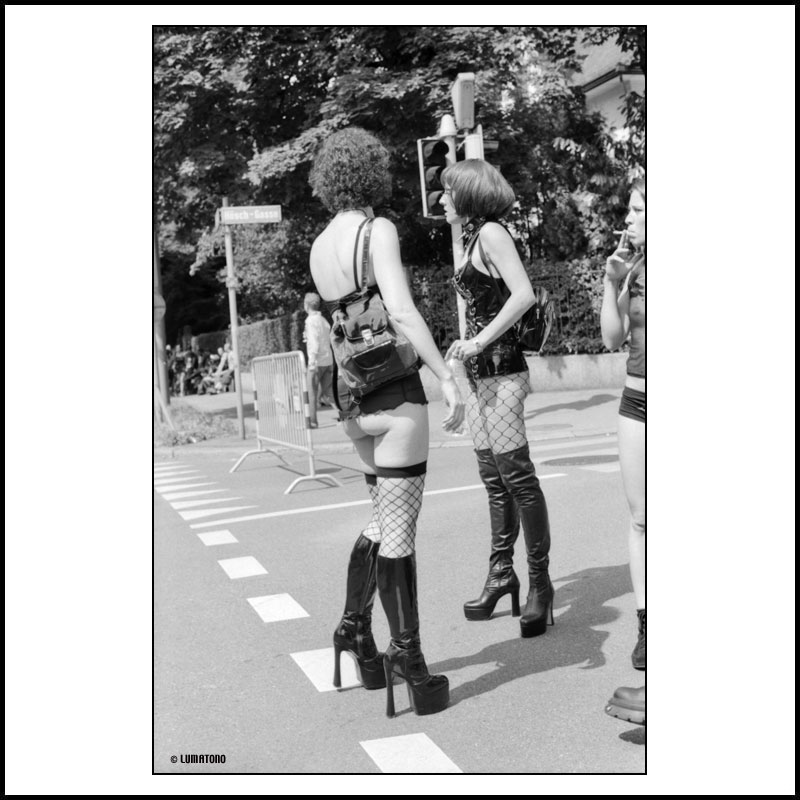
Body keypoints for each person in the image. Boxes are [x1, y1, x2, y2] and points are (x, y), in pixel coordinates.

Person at [308, 126, 464, 717]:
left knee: (382, 518)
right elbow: (399, 309)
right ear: (371, 173)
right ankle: (409, 660)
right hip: (394, 391)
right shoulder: (378, 231)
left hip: (352, 396)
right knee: (399, 530)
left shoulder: (320, 245)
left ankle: (353, 629)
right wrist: (445, 376)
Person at [441, 159, 554, 639]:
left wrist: (480, 341)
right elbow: (474, 312)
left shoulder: (491, 233)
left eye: (448, 191)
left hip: (503, 370)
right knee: (494, 480)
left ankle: (541, 585)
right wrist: (459, 364)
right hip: (478, 374)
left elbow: (522, 294)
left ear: (468, 193)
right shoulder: (470, 238)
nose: (441, 199)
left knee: (518, 478)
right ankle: (501, 574)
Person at [601, 179, 646, 671]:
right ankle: (646, 625)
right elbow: (612, 338)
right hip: (636, 402)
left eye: (637, 209)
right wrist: (611, 281)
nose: (627, 218)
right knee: (640, 518)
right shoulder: (632, 269)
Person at [302, 292, 335, 427]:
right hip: (327, 360)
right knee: (329, 392)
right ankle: (346, 415)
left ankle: (312, 421)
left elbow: (314, 342)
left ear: (306, 305)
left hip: (316, 362)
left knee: (311, 392)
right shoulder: (323, 320)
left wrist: (311, 362)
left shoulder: (310, 321)